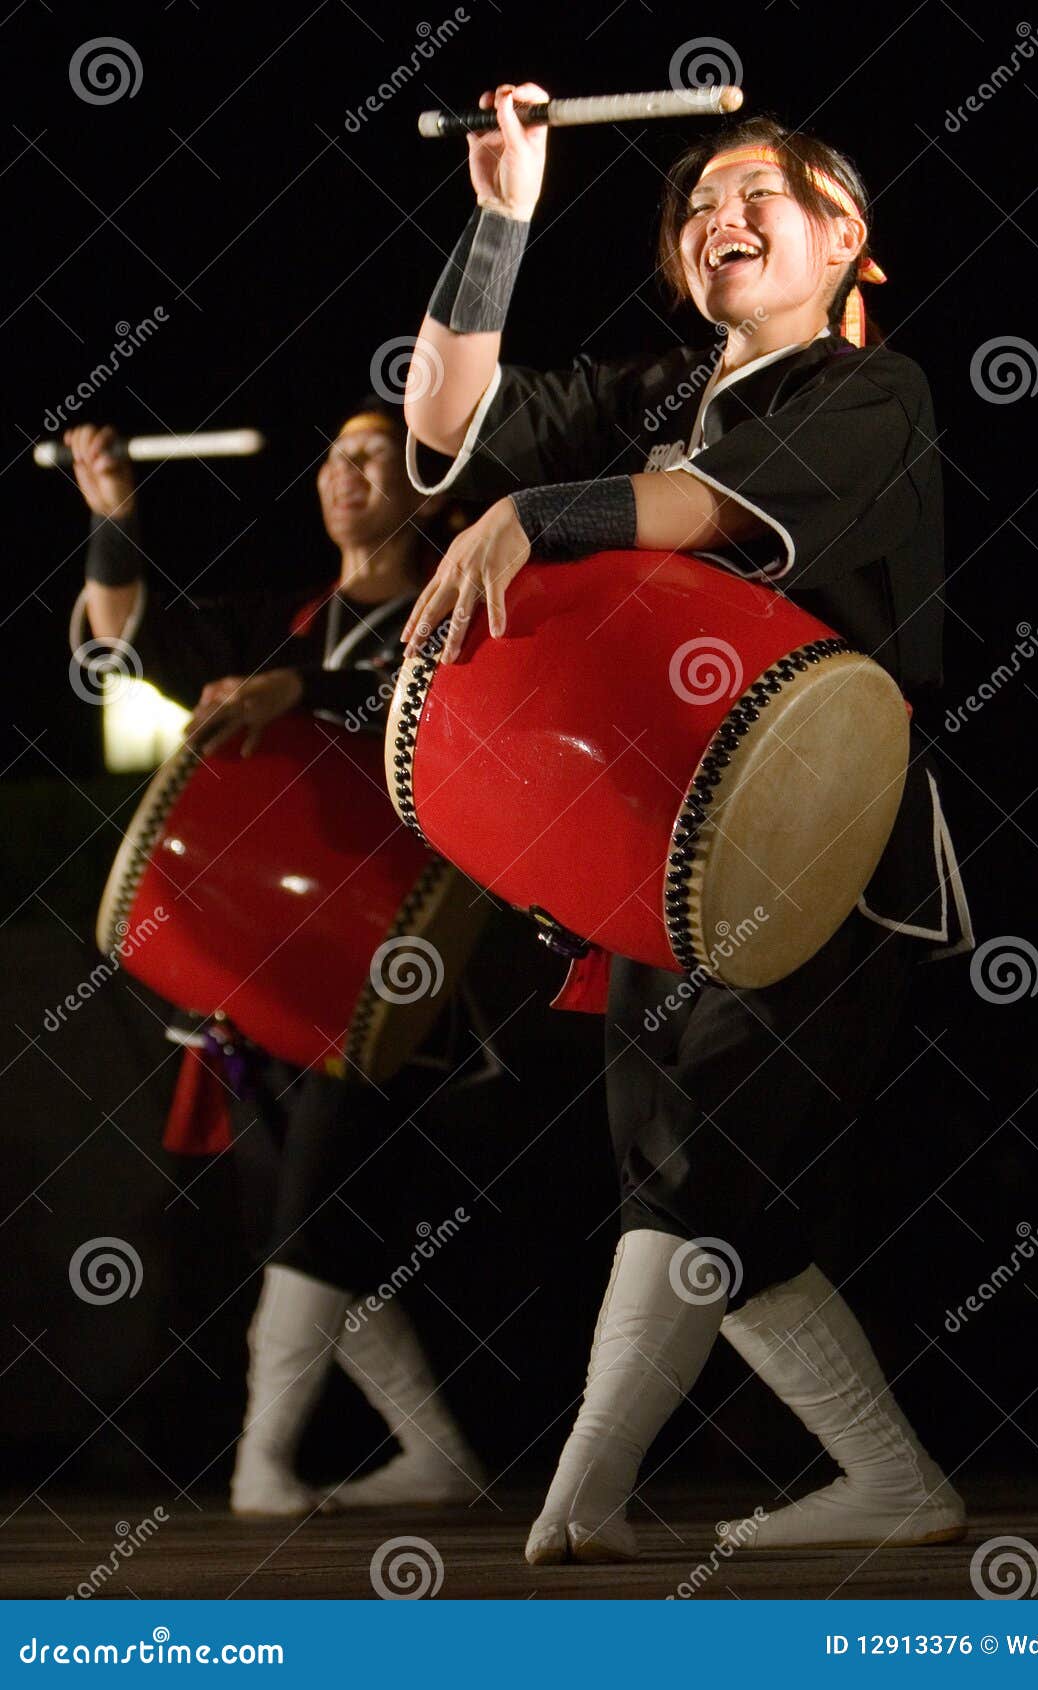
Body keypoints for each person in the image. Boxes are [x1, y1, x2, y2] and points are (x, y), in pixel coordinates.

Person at [401, 86, 975, 1562]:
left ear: (843, 234)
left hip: (831, 844)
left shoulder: (873, 392)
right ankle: (897, 1482)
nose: (716, 217)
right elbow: (451, 418)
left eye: (753, 194)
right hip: (665, 850)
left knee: (703, 1162)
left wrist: (546, 517)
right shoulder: (660, 390)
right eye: (693, 206)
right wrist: (502, 210)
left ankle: (579, 1497)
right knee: (698, 1180)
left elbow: (700, 512)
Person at [64, 406, 485, 1516]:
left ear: (428, 490)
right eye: (332, 453)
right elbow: (126, 640)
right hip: (266, 981)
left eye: (370, 454)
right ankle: (437, 1452)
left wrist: (297, 692)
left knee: (314, 1215)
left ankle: (262, 1466)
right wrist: (115, 519)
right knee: (312, 1226)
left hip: (392, 970)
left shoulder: (457, 616)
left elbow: (433, 710)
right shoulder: (284, 620)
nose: (342, 470)